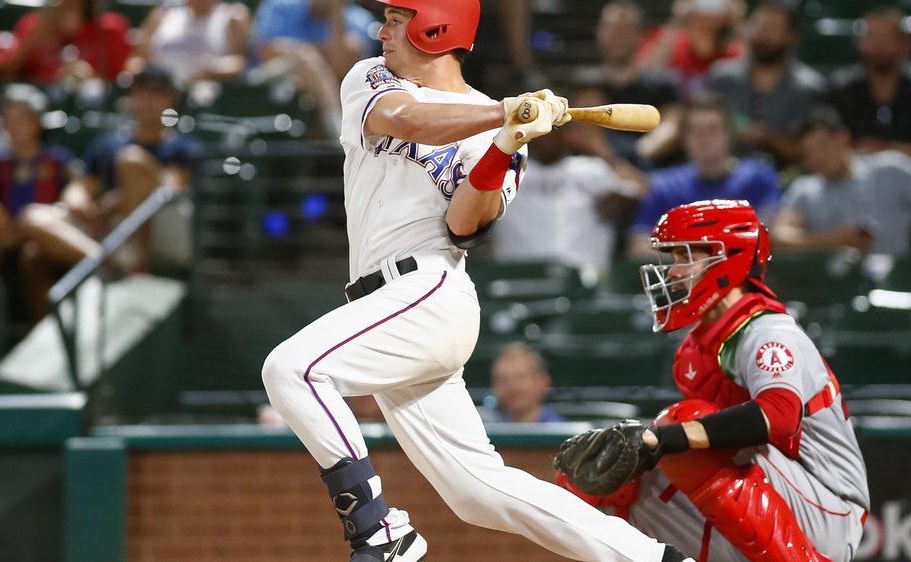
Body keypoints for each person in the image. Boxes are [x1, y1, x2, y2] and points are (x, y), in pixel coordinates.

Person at [259, 1, 694, 561]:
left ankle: (378, 530)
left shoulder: (500, 123)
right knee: (476, 492)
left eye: (396, 18)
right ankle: (654, 559)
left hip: (428, 291)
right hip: (385, 304)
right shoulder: (371, 77)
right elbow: (405, 119)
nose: (382, 29)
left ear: (435, 27)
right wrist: (502, 118)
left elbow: (464, 225)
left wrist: (507, 143)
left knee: (291, 369)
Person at [554, 199, 869, 561]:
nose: (673, 272)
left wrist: (661, 438)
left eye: (685, 257)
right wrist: (649, 445)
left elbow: (777, 417)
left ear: (728, 260)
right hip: (767, 493)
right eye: (673, 259)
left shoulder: (768, 332)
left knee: (678, 426)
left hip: (828, 506)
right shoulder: (698, 346)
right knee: (596, 475)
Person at [770, 105, 911, 255]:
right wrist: (833, 241)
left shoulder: (890, 168)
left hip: (892, 283)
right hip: (833, 288)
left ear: (843, 137)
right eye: (808, 152)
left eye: (823, 145)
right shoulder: (804, 189)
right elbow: (778, 238)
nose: (818, 157)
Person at [67, 67, 203, 272]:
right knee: (36, 219)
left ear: (171, 99)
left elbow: (173, 189)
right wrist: (80, 203)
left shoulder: (184, 146)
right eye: (141, 92)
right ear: (131, 97)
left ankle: (132, 261)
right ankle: (112, 260)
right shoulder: (107, 144)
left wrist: (119, 200)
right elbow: (82, 189)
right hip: (113, 228)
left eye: (156, 93)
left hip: (166, 228)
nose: (148, 100)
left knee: (131, 161)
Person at [0, 83, 91, 321]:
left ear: (37, 122)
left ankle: (44, 333)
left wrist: (71, 198)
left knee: (33, 253)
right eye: (7, 120)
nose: (12, 127)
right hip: (6, 242)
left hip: (44, 239)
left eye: (20, 120)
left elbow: (78, 190)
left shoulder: (57, 159)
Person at [491, 115, 649, 278]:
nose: (545, 136)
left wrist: (602, 153)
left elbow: (644, 190)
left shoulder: (591, 170)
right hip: (516, 279)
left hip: (585, 280)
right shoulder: (506, 172)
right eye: (537, 130)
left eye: (552, 129)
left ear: (567, 134)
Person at [627, 92, 781, 256]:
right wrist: (694, 260)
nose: (703, 138)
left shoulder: (758, 177)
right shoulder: (664, 186)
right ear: (684, 138)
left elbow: (770, 232)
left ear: (729, 134)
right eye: (695, 131)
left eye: (712, 130)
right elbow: (639, 244)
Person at [821, 7, 911, 168]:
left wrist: (890, 153)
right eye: (872, 38)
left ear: (904, 44)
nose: (879, 47)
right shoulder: (838, 92)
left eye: (887, 39)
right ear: (859, 43)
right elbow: (821, 147)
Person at [705, 0, 825, 169]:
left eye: (773, 28)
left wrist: (768, 141)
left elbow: (812, 150)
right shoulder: (722, 79)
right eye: (758, 25)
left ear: (791, 36)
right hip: (724, 178)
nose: (763, 34)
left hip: (788, 181)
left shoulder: (809, 88)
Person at [573, 0, 682, 170]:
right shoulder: (587, 86)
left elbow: (672, 127)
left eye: (625, 30)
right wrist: (617, 165)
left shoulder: (662, 85)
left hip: (651, 169)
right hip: (599, 173)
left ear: (640, 35)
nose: (618, 37)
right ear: (599, 33)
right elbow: (585, 136)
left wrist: (638, 155)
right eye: (612, 29)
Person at [250, 0, 378, 138]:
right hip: (266, 79)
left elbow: (342, 68)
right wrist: (315, 52)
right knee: (304, 61)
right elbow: (265, 52)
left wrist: (336, 15)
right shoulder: (280, 6)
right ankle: (339, 132)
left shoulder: (358, 19)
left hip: (315, 89)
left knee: (307, 81)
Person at [125, 0, 251, 105]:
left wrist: (210, 70)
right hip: (157, 93)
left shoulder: (231, 17)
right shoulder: (162, 15)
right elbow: (137, 60)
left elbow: (239, 63)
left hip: (204, 96)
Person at [0, 0, 131, 86]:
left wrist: (91, 78)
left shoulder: (110, 29)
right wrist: (31, 42)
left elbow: (119, 82)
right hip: (39, 109)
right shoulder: (33, 26)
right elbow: (6, 77)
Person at [637, 0, 746, 101]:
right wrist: (677, 20)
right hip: (676, 113)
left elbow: (749, 77)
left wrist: (736, 22)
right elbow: (646, 74)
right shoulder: (671, 41)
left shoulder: (732, 51)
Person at [485, 342, 563, 423]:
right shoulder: (484, 431)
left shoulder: (564, 431)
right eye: (503, 380)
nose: (511, 386)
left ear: (543, 382)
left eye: (520, 377)